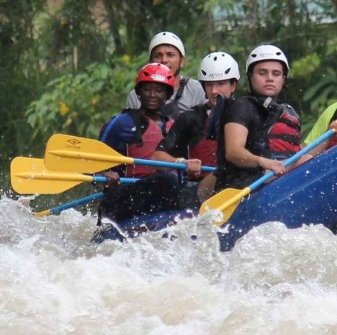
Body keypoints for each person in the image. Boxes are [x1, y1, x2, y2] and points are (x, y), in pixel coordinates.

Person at [216, 45, 337, 191]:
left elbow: (301, 156)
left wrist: (330, 136)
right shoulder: (241, 106)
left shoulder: (288, 112)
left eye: (276, 74)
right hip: (246, 186)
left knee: (315, 162)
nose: (269, 78)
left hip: (279, 183)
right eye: (262, 73)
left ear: (283, 79)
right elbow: (233, 152)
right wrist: (266, 163)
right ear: (251, 76)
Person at [97, 63, 190, 222]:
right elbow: (92, 163)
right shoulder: (121, 123)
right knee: (169, 180)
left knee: (184, 187)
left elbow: (184, 171)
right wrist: (103, 175)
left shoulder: (174, 126)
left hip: (161, 198)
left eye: (159, 90)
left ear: (167, 94)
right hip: (125, 197)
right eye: (147, 89)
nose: (153, 95)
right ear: (139, 92)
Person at [158, 51, 239, 203]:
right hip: (199, 188)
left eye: (221, 84)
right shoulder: (190, 118)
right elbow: (157, 156)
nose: (214, 91)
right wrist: (182, 162)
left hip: (240, 184)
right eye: (209, 85)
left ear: (233, 85)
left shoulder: (247, 113)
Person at [124, 31, 207, 119]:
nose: (164, 60)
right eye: (157, 55)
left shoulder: (198, 90)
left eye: (170, 55)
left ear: (181, 61)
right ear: (150, 62)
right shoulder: (137, 95)